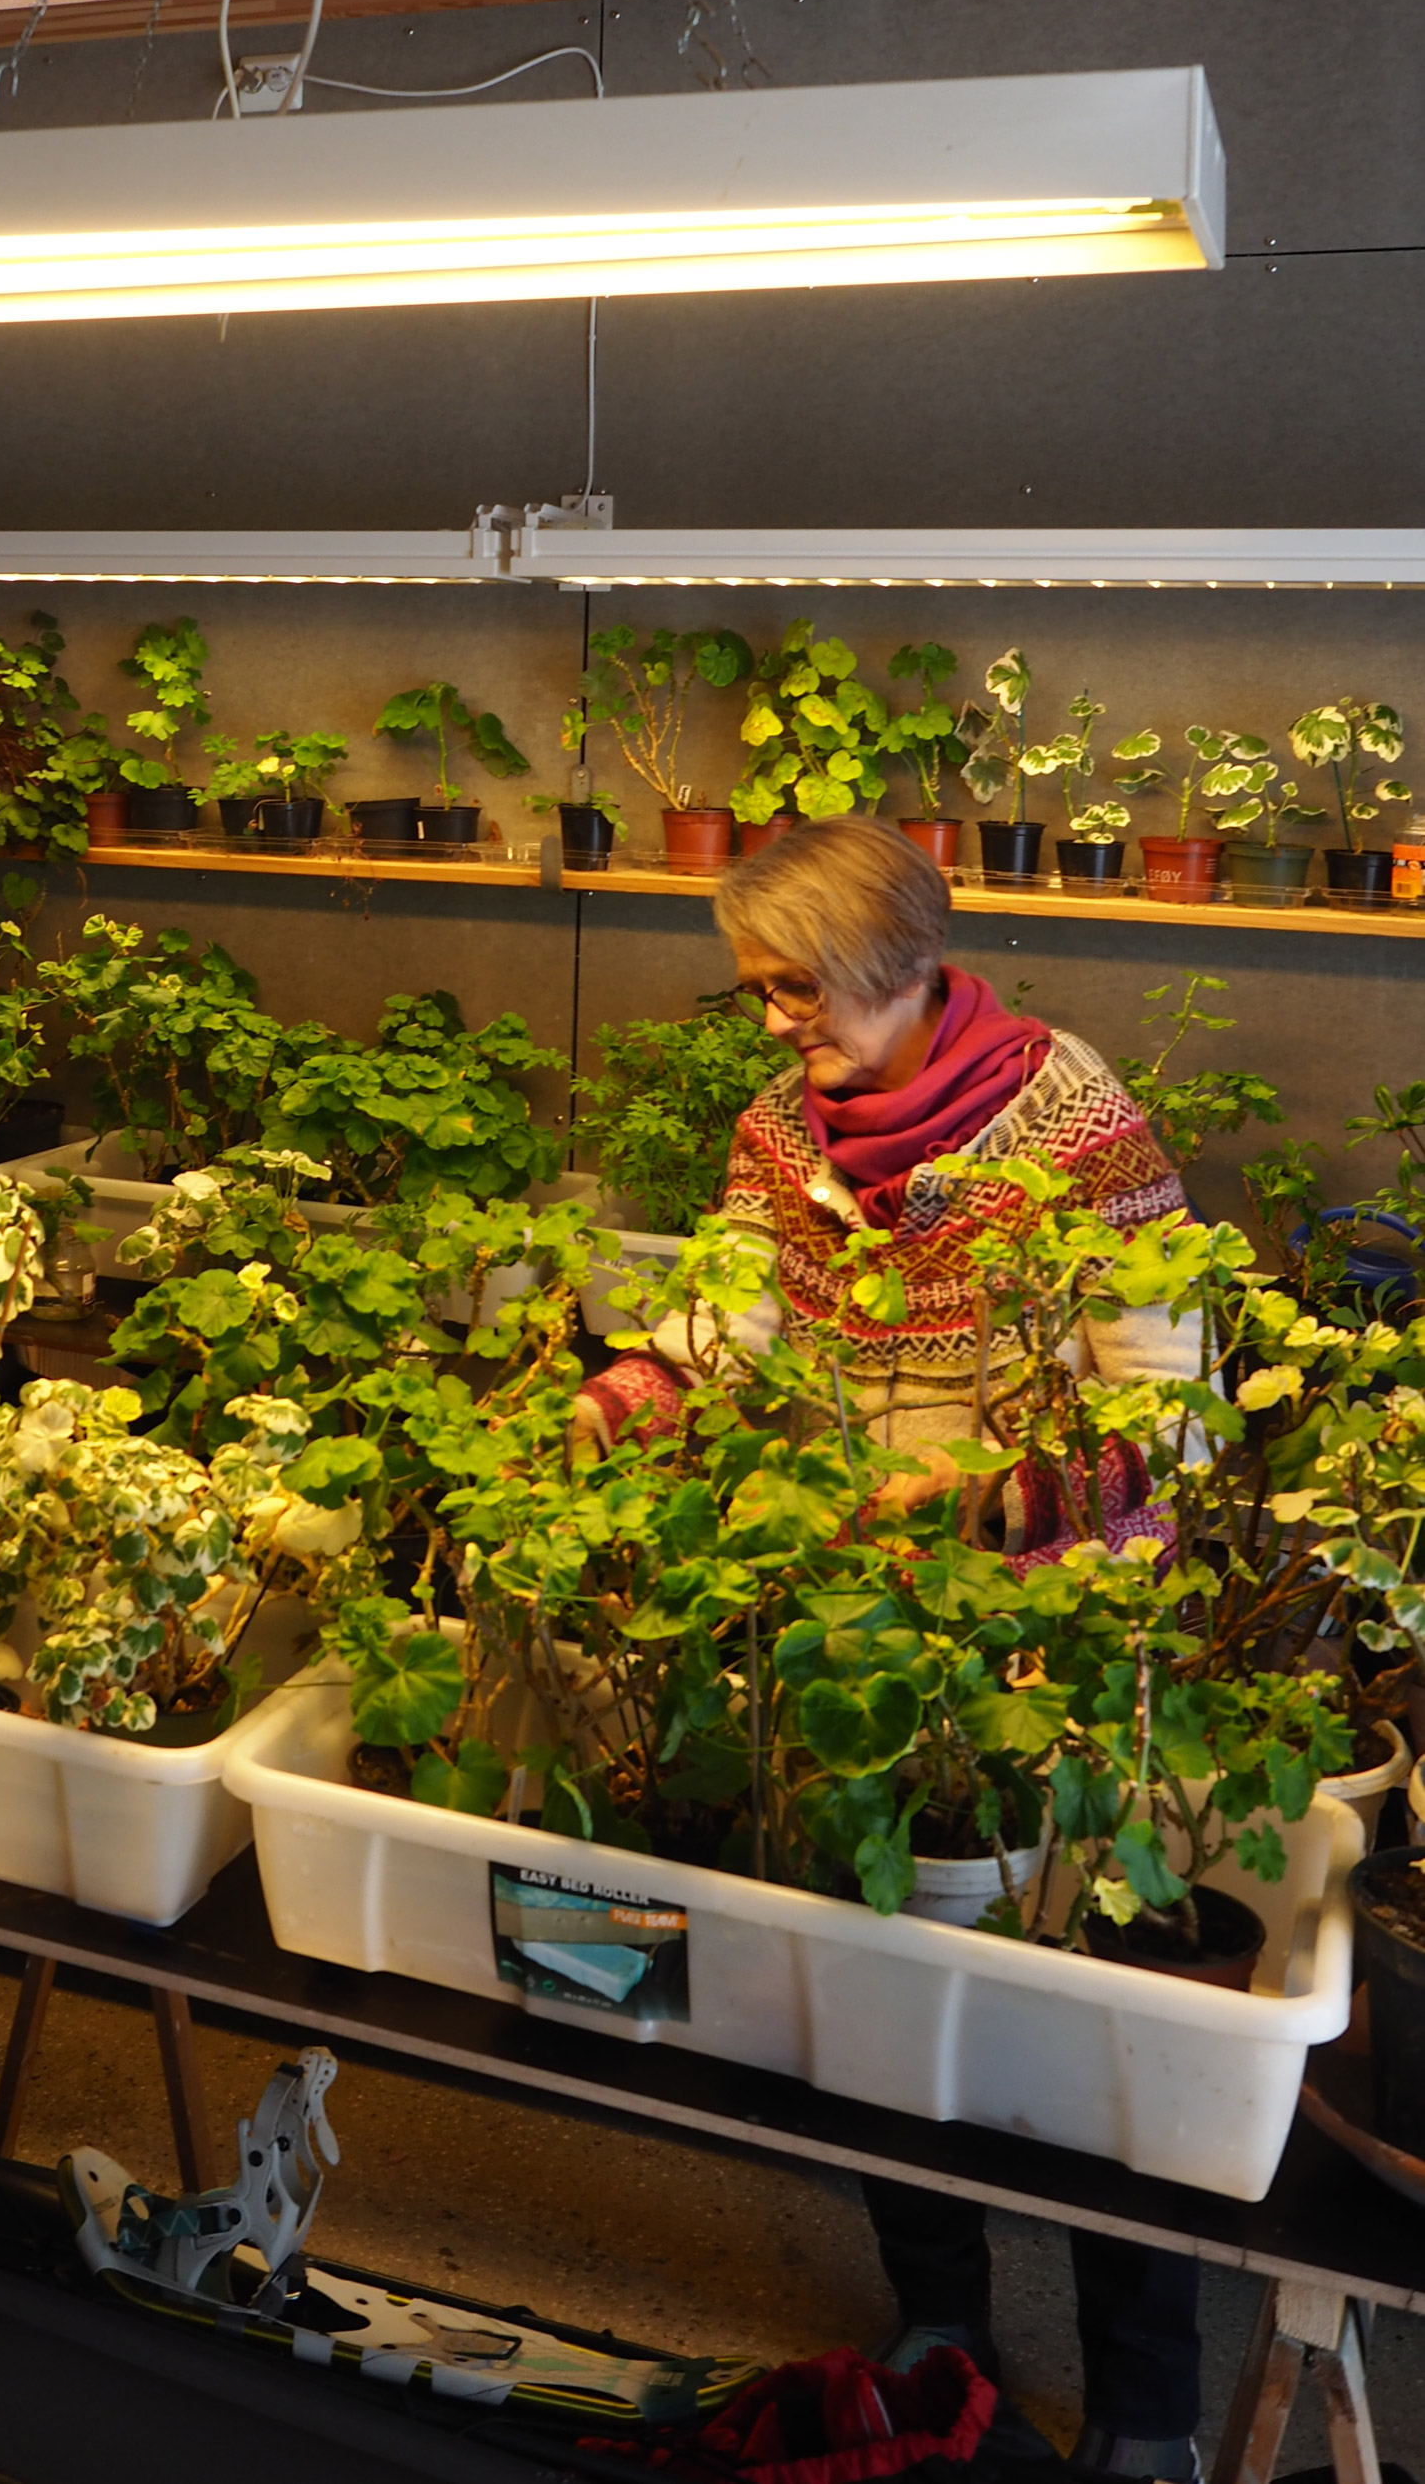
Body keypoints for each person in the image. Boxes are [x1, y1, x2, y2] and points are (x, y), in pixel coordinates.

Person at [576, 821, 1206, 2484]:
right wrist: (641, 1388)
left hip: (1053, 1610)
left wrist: (1001, 1495)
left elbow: (1170, 1405)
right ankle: (941, 2318)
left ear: (899, 966)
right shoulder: (781, 1129)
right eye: (760, 992)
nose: (776, 1022)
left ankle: (1148, 2394)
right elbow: (729, 1316)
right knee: (883, 1964)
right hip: (866, 1613)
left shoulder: (1072, 1115)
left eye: (798, 989)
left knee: (1084, 2005)